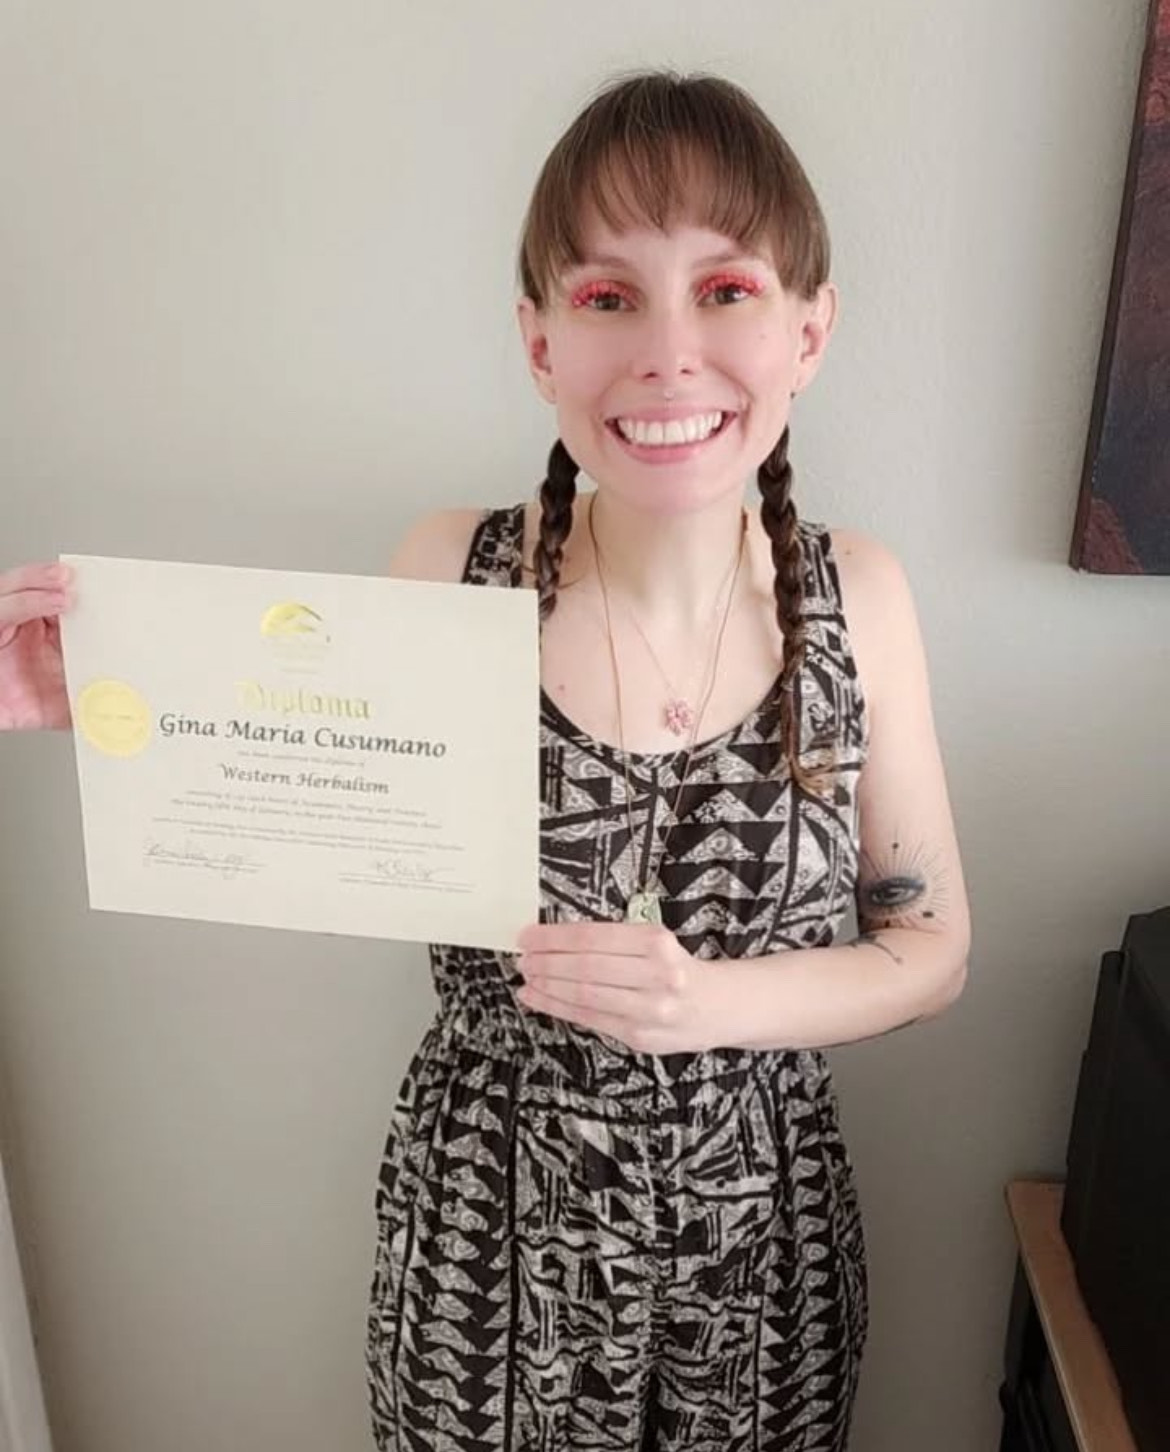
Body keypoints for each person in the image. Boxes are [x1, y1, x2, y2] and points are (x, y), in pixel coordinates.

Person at [0, 68, 970, 1452]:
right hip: (488, 1242)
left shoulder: (856, 599)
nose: (668, 352)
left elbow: (930, 947)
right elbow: (301, 777)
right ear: (538, 342)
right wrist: (105, 697)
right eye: (607, 297)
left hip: (760, 1253)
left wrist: (708, 1004)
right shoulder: (452, 571)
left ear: (809, 329)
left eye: (726, 290)